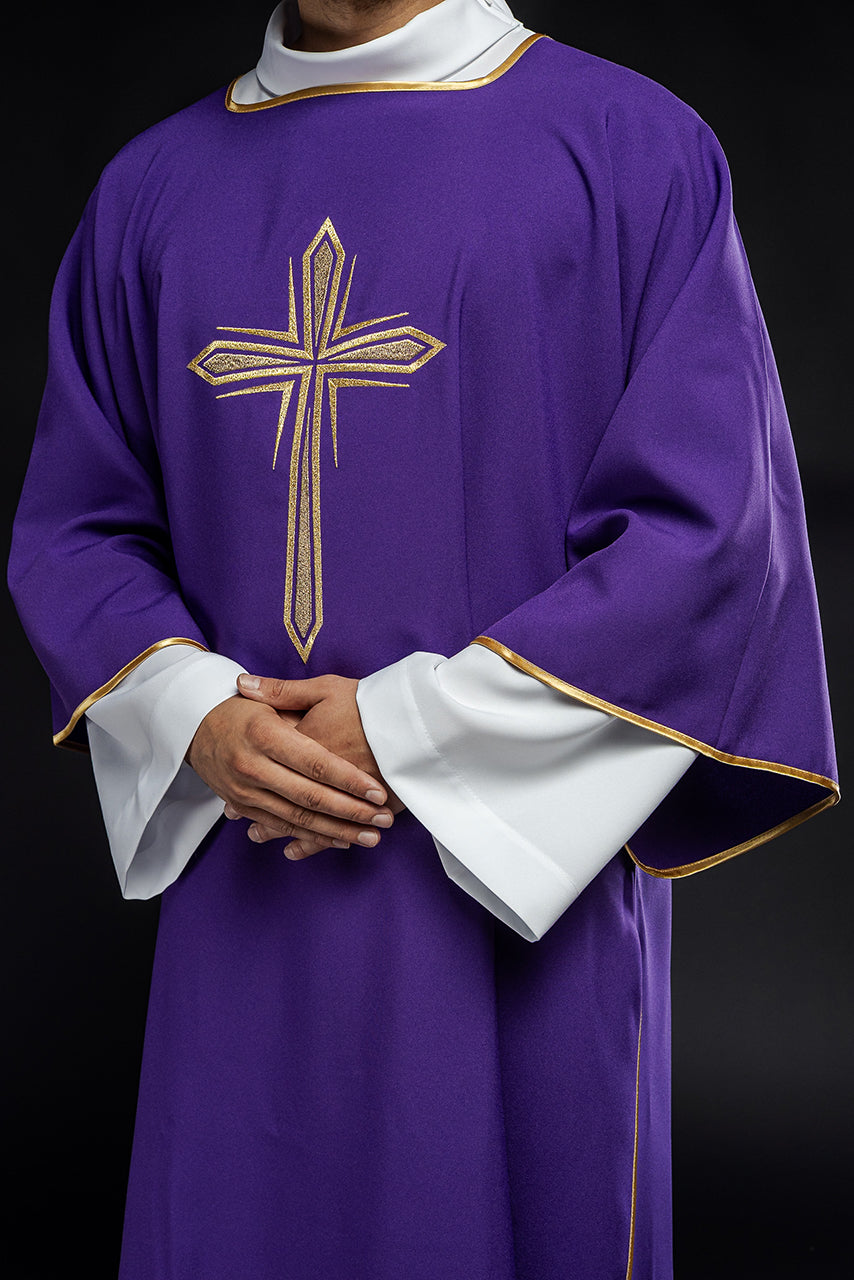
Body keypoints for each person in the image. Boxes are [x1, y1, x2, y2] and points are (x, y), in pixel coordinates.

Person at [7, 1, 838, 1276]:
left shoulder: (629, 148)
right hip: (249, 862)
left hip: (512, 882)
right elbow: (77, 526)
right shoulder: (149, 189)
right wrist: (197, 716)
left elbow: (706, 537)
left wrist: (407, 729)